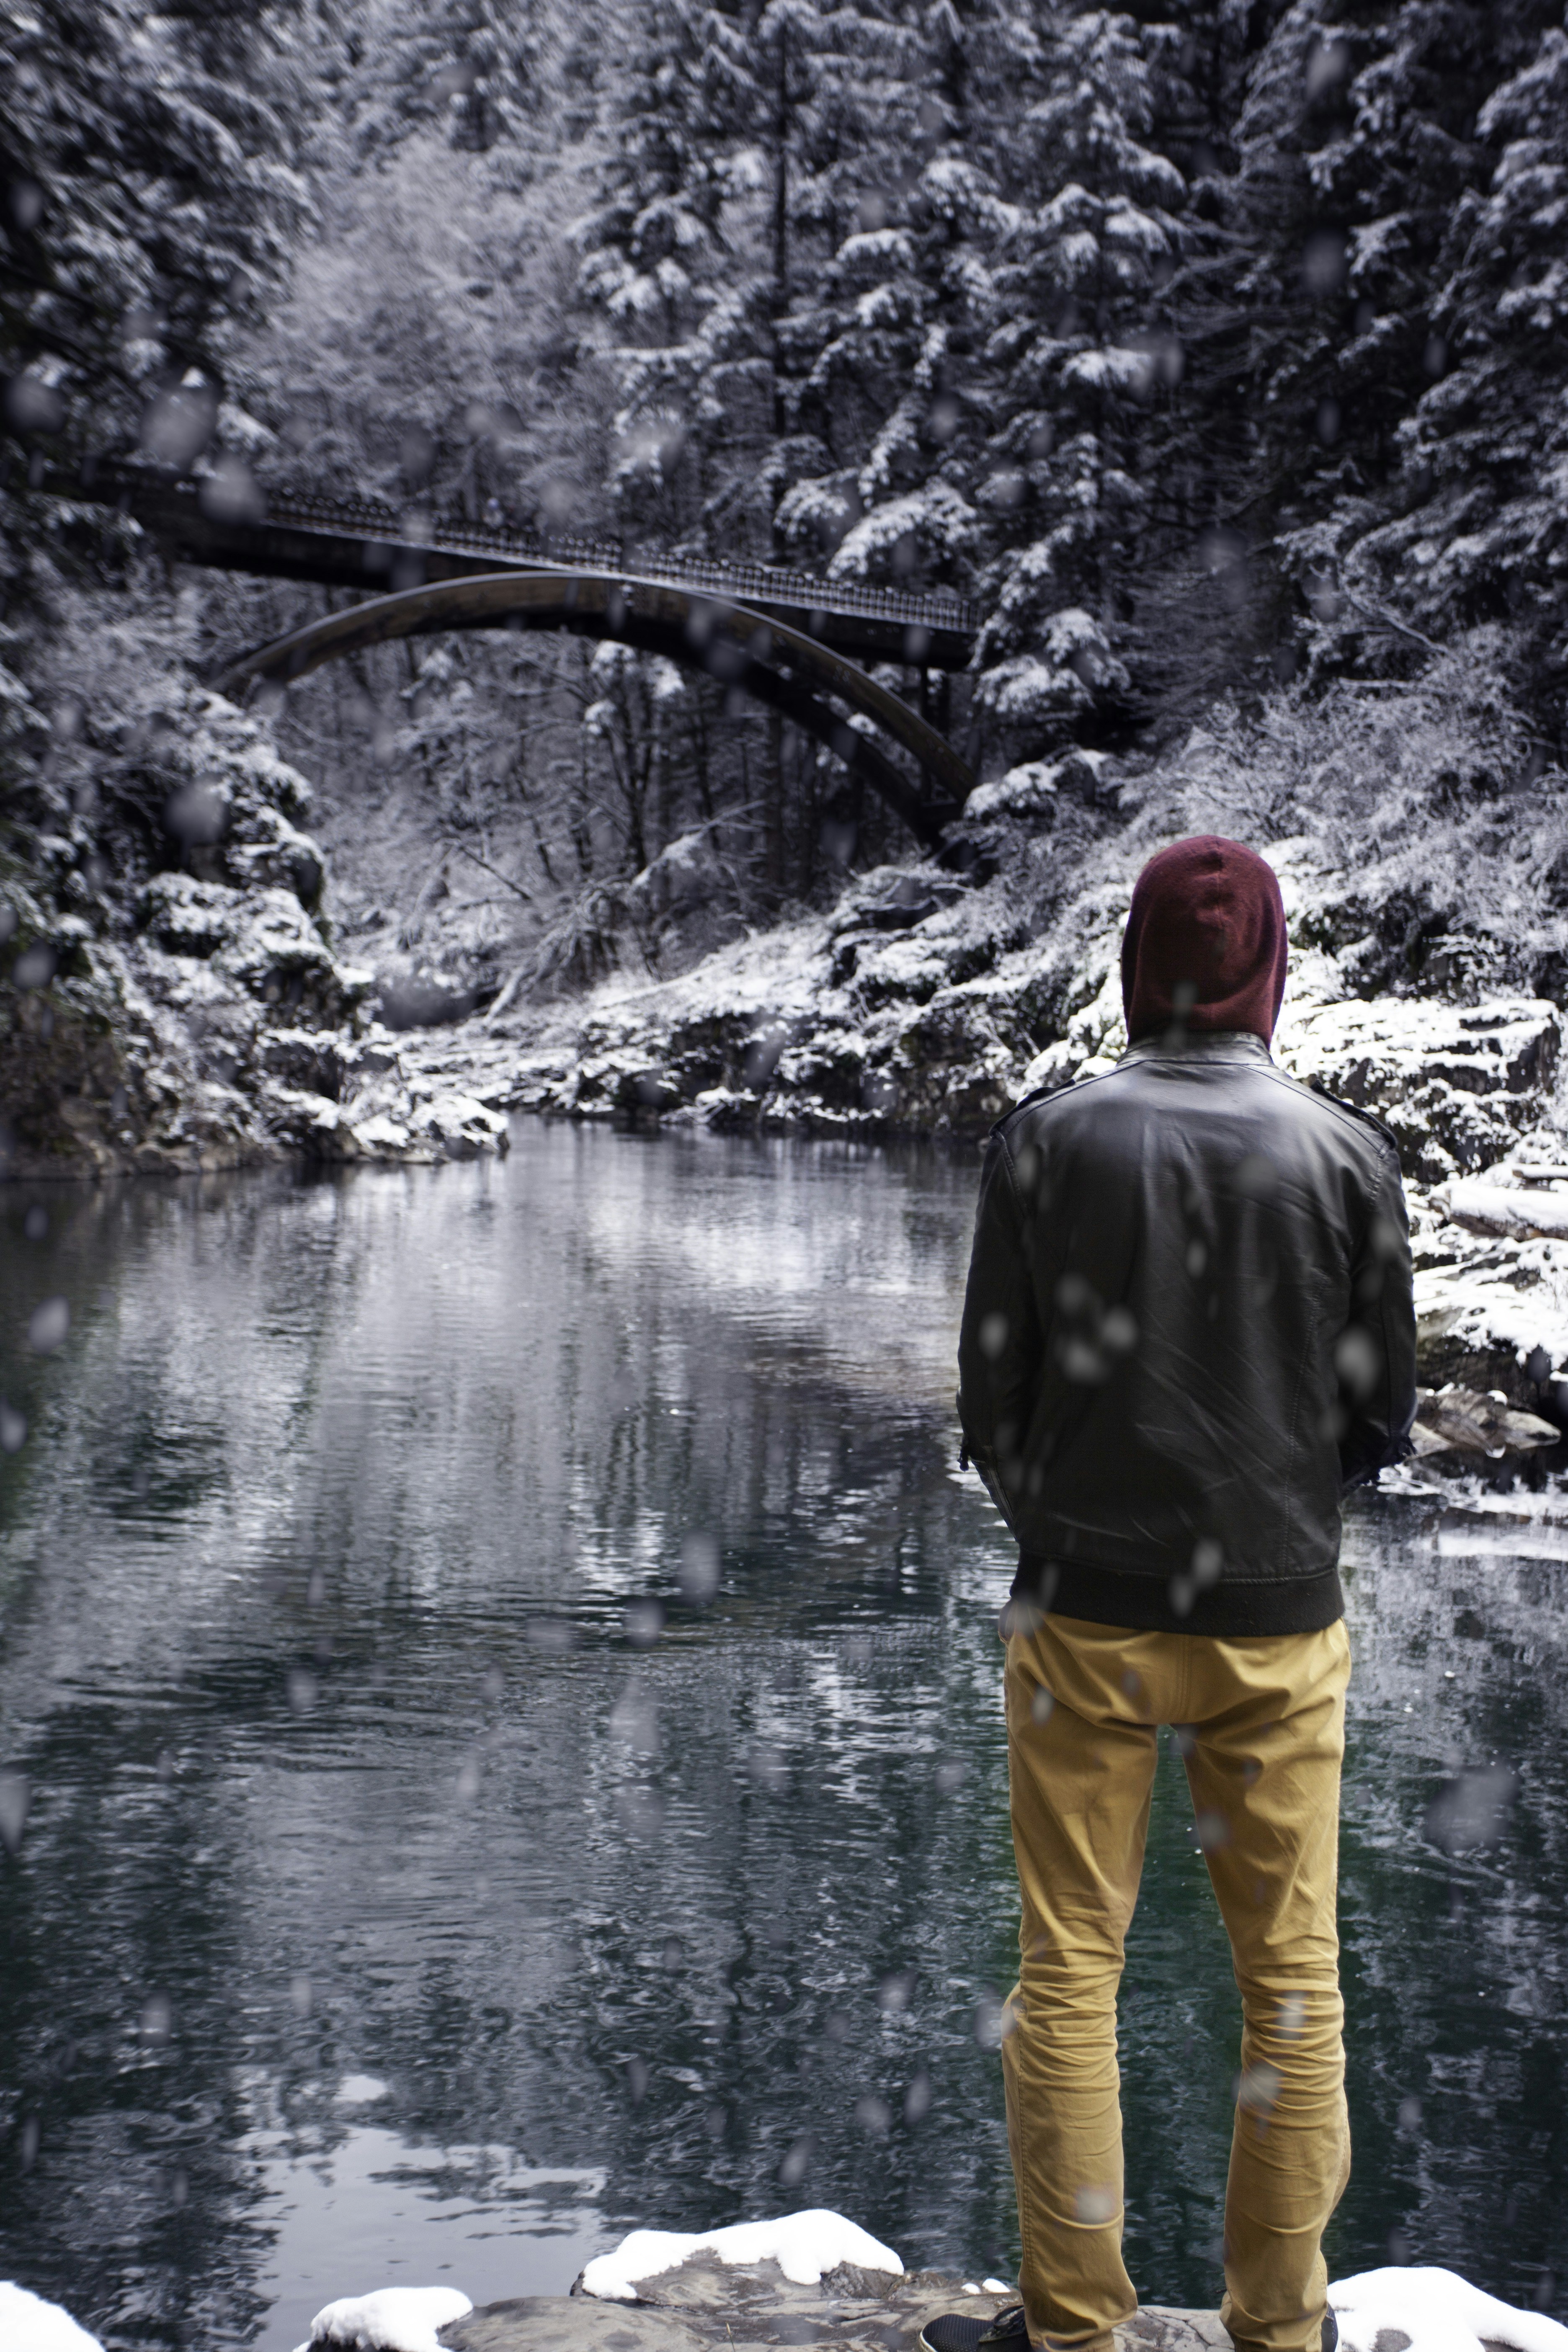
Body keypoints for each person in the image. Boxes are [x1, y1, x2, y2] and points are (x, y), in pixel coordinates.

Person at [923, 836, 1416, 2352]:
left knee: (1070, 1968)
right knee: (1295, 1987)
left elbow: (990, 1397)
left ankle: (1073, 2328)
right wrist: (1263, 1522)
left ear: (1139, 967)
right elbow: (1380, 1414)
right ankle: (1282, 2328)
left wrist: (1077, 1524)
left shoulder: (1047, 1140)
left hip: (1086, 1614)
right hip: (1278, 1620)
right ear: (1270, 970)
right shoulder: (1348, 1156)